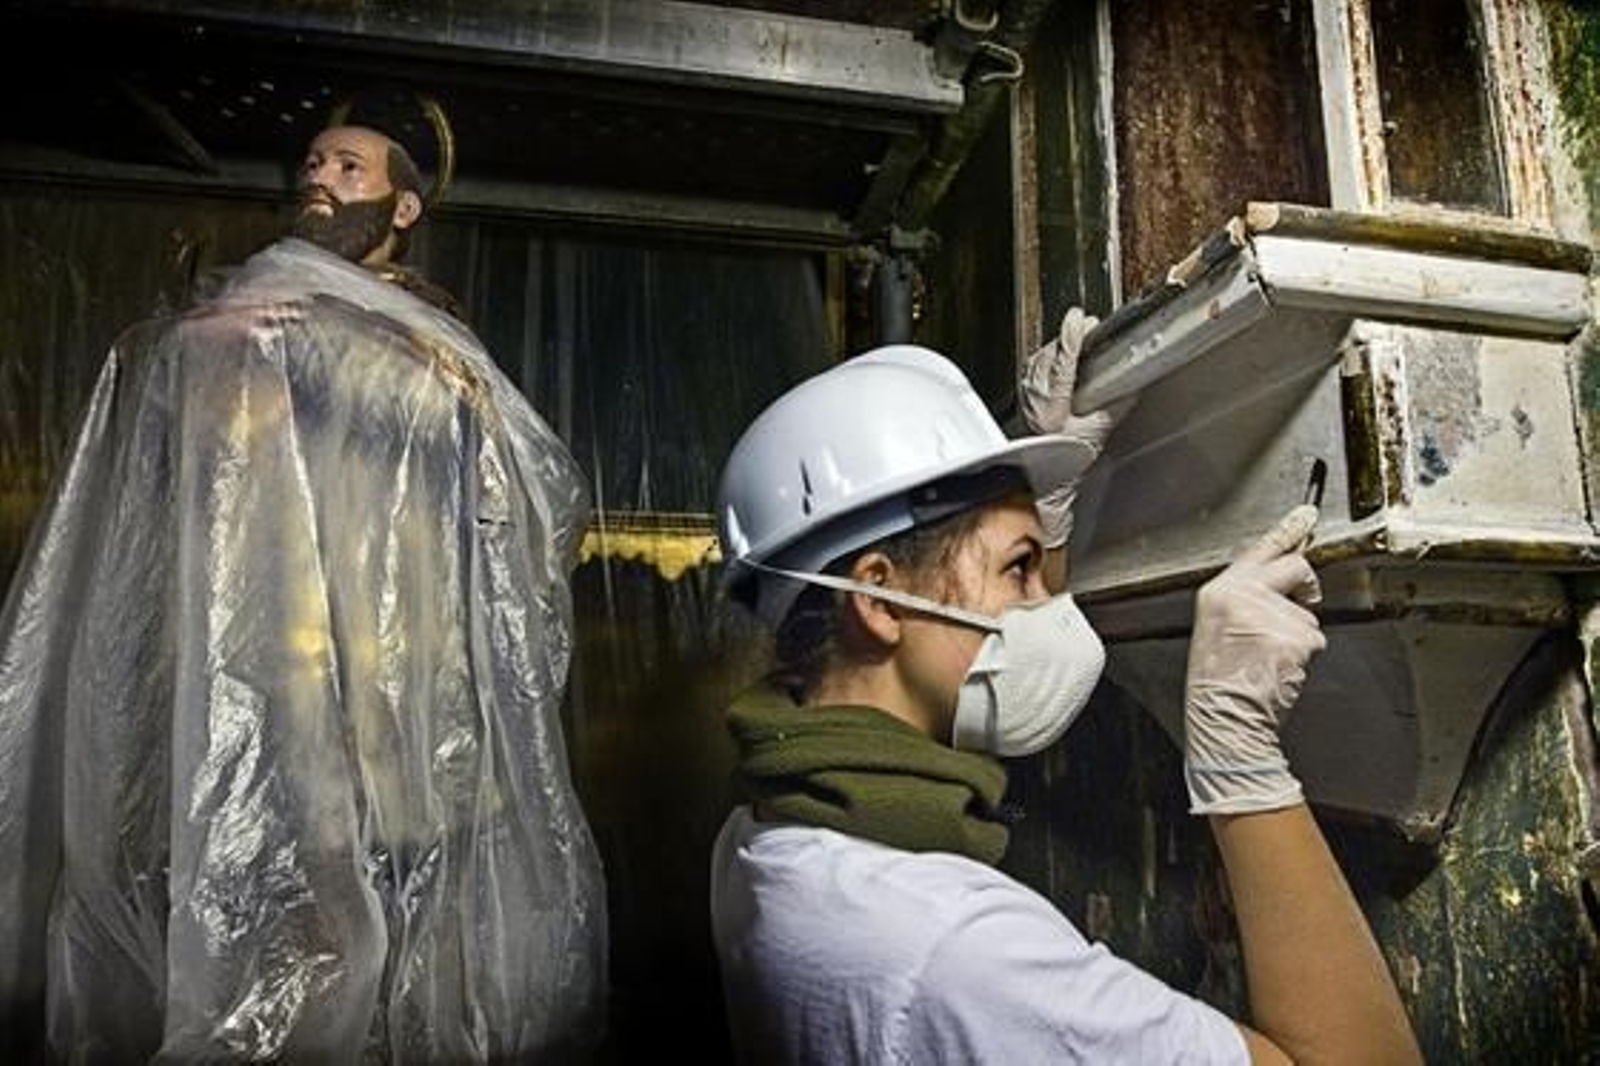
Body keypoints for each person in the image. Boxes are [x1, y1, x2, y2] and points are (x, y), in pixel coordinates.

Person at [0, 116, 607, 1061]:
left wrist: (310, 349)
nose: (320, 176)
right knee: (267, 943)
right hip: (268, 700)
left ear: (401, 206)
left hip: (398, 722)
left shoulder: (428, 343)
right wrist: (213, 351)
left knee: (396, 957)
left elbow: (505, 473)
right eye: (314, 162)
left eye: (348, 166)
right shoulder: (238, 317)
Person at [708, 325, 1422, 1063]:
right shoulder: (962, 955)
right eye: (1021, 571)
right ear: (881, 601)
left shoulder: (760, 835)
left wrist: (1027, 531)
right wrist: (1239, 757)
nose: (1050, 609)